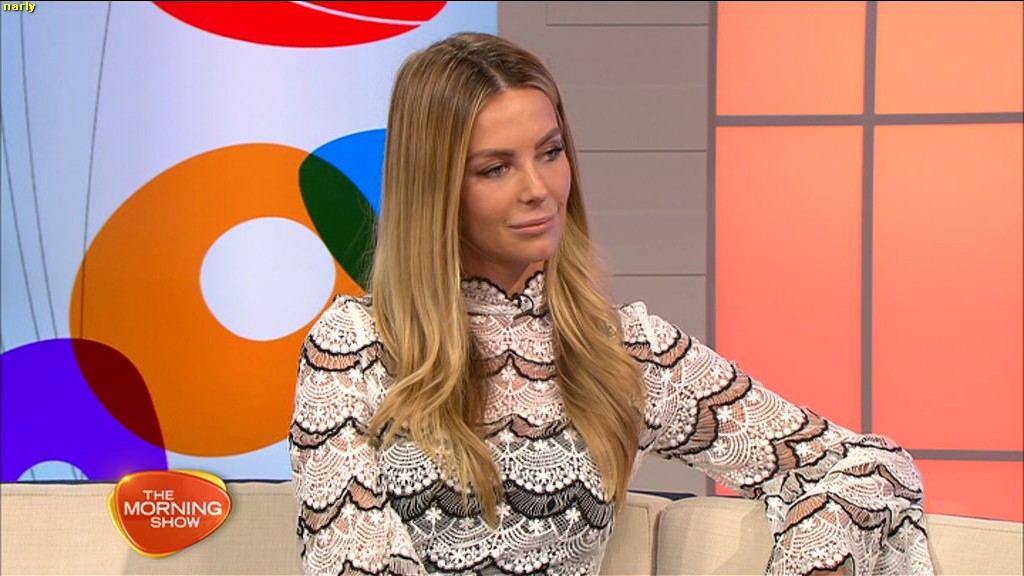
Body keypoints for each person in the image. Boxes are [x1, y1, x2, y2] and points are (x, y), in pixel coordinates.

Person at [289, 31, 934, 576]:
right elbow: (346, 562)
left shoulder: (623, 350)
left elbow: (863, 466)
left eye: (550, 152)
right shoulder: (353, 347)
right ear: (434, 189)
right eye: (495, 168)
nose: (540, 189)